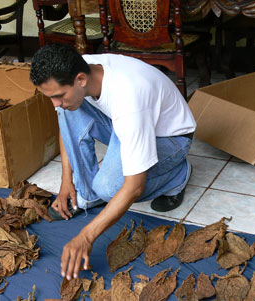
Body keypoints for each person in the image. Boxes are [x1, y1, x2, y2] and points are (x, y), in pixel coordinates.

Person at [29, 43, 195, 281]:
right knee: (68, 110)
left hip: (171, 137)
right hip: (125, 124)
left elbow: (134, 186)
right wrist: (67, 181)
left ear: (81, 80)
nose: (54, 103)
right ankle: (86, 195)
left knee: (110, 188)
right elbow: (65, 125)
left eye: (57, 95)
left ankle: (178, 174)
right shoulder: (75, 67)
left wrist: (87, 236)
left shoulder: (128, 97)